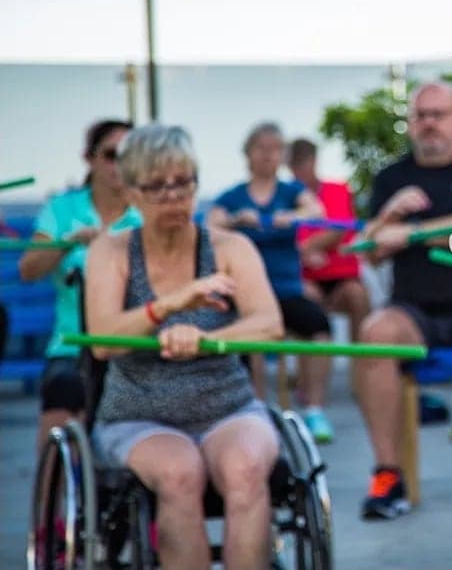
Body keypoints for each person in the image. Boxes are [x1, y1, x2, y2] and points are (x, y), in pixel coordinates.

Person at [85, 124, 284, 570]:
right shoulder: (111, 252)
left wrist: (207, 341)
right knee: (179, 473)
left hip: (227, 407)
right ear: (131, 193)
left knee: (247, 470)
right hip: (138, 415)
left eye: (183, 183)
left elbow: (269, 324)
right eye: (157, 186)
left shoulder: (231, 247)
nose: (174, 197)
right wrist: (169, 306)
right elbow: (102, 340)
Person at [354, 81, 452, 519]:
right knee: (374, 334)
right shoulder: (391, 178)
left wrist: (412, 232)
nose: (429, 124)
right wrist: (388, 216)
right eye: (420, 115)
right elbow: (371, 249)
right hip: (413, 312)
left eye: (438, 114)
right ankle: (388, 476)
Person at [19, 119, 141, 453]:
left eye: (130, 155)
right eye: (112, 155)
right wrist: (67, 244)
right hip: (72, 347)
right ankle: (53, 485)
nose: (121, 165)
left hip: (134, 347)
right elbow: (28, 269)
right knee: (63, 396)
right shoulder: (62, 209)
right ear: (90, 158)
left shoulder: (150, 211)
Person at [207, 122, 334, 442]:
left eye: (275, 149)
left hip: (287, 290)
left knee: (319, 327)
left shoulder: (290, 192)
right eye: (261, 148)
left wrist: (291, 217)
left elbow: (316, 210)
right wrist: (236, 221)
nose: (267, 155)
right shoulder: (234, 196)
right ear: (248, 154)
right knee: (250, 335)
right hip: (247, 294)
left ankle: (315, 409)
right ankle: (256, 410)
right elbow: (210, 224)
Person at [287, 137, 370, 344]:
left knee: (357, 296)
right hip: (304, 279)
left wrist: (305, 248)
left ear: (314, 161)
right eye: (294, 165)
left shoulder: (337, 190)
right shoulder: (286, 196)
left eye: (302, 163)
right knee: (305, 305)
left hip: (342, 278)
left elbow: (338, 229)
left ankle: (362, 361)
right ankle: (311, 365)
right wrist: (305, 254)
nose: (298, 171)